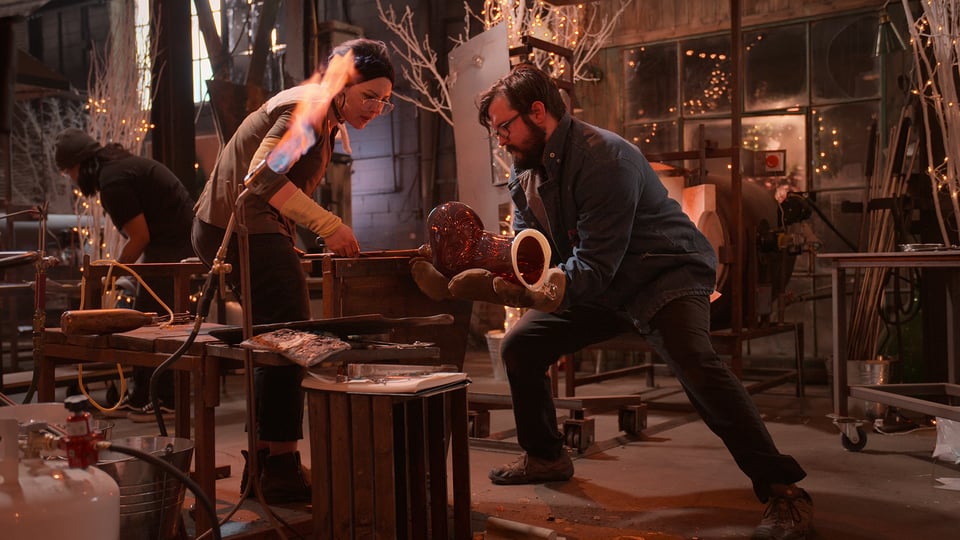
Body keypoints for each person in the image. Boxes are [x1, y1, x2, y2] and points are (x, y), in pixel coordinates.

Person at [412, 63, 812, 540]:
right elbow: (531, 247)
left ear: (538, 112)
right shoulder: (526, 173)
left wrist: (528, 289)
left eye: (504, 127)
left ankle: (784, 490)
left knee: (697, 363)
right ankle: (546, 456)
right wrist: (493, 269)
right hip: (603, 282)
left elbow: (594, 265)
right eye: (495, 131)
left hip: (663, 273)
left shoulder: (605, 158)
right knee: (521, 347)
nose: (501, 140)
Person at [191, 38, 395, 504]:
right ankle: (279, 466)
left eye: (385, 101)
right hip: (238, 227)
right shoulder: (311, 108)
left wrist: (291, 242)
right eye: (370, 97)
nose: (377, 108)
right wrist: (328, 226)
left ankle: (264, 465)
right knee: (292, 337)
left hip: (244, 226)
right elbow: (261, 177)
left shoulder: (322, 113)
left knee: (276, 337)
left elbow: (273, 185)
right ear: (343, 86)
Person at [54, 128, 195, 422]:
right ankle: (143, 396)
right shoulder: (118, 167)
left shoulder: (113, 183)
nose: (71, 179)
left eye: (69, 172)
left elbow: (139, 237)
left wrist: (111, 274)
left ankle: (163, 400)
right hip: (178, 240)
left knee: (152, 325)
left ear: (81, 165)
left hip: (171, 247)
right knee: (149, 320)